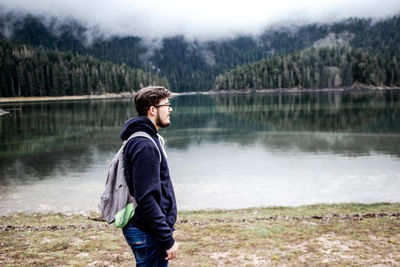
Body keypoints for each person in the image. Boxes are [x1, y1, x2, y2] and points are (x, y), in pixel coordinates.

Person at [120, 86, 178, 266]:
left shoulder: (145, 138)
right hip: (147, 230)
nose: (170, 109)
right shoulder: (144, 145)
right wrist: (167, 238)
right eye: (166, 105)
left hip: (147, 228)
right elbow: (146, 198)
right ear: (153, 110)